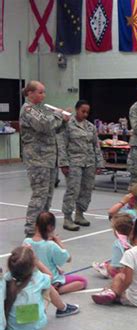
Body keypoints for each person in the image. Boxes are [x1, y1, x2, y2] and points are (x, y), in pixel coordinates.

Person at [19, 81, 70, 236]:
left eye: (44, 92)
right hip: (37, 159)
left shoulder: (41, 109)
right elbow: (44, 125)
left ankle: (40, 228)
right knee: (39, 195)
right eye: (40, 92)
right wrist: (58, 114)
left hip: (48, 158)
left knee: (47, 196)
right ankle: (30, 230)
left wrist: (64, 121)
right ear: (30, 93)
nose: (43, 95)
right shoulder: (28, 109)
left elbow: (54, 129)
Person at [4, 246, 79, 330]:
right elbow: (50, 276)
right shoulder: (38, 278)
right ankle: (63, 308)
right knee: (49, 287)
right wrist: (37, 261)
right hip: (36, 328)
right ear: (33, 265)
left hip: (12, 329)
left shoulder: (5, 279)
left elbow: (11, 272)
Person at [91, 217, 137, 307]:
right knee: (120, 277)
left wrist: (118, 293)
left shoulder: (130, 253)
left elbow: (128, 281)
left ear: (134, 231)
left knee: (119, 278)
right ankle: (109, 291)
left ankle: (111, 293)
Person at [58, 100, 104, 231]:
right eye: (82, 111)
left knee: (87, 189)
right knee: (73, 190)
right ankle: (67, 218)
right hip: (74, 162)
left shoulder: (90, 127)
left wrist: (99, 163)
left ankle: (79, 214)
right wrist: (63, 163)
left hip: (89, 162)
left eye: (87, 112)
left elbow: (96, 145)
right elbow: (62, 145)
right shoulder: (67, 125)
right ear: (76, 109)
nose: (85, 114)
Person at [23, 212, 88, 294]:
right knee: (82, 281)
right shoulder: (51, 245)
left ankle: (48, 289)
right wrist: (59, 242)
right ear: (51, 228)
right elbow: (68, 258)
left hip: (33, 278)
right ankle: (56, 291)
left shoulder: (26, 242)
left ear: (36, 225)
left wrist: (57, 267)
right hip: (51, 279)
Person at [92, 213, 134, 278]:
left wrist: (109, 267)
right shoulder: (134, 239)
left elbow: (116, 266)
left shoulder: (118, 244)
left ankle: (104, 268)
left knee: (111, 266)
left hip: (126, 275)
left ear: (116, 231)